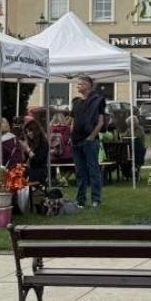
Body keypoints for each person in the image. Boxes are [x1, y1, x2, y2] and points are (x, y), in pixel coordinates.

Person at [69, 76, 107, 209]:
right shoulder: (76, 102)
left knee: (93, 170)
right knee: (80, 172)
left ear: (88, 86)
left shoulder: (98, 100)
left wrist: (91, 136)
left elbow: (100, 121)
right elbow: (73, 121)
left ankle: (96, 199)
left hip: (90, 142)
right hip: (76, 141)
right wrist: (71, 134)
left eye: (80, 84)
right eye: (78, 84)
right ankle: (80, 200)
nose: (78, 86)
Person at [21, 112, 51, 187]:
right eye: (27, 132)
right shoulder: (31, 143)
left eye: (30, 131)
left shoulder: (43, 143)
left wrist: (28, 149)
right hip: (32, 171)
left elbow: (38, 160)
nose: (28, 134)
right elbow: (24, 160)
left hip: (40, 172)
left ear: (36, 130)